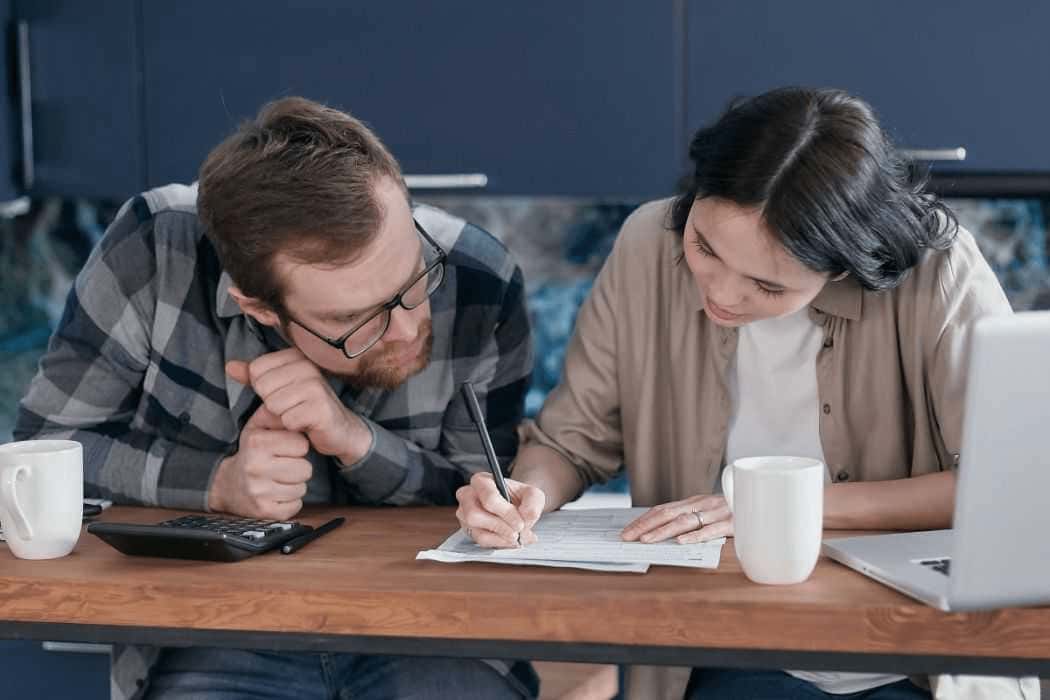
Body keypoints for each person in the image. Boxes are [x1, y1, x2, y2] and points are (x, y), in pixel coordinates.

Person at [454, 87, 1025, 699]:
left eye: (767, 285)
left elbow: (1010, 490)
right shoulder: (648, 243)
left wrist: (783, 508)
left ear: (842, 265)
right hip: (720, 639)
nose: (722, 295)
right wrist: (525, 494)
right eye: (704, 247)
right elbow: (571, 441)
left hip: (911, 651)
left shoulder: (940, 274)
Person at [15, 97, 537, 700]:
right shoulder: (153, 251)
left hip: (439, 627)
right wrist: (217, 485)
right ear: (258, 307)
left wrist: (355, 440)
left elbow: (483, 504)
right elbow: (43, 452)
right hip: (212, 624)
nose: (406, 327)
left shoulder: (481, 279)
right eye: (353, 319)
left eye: (414, 278)